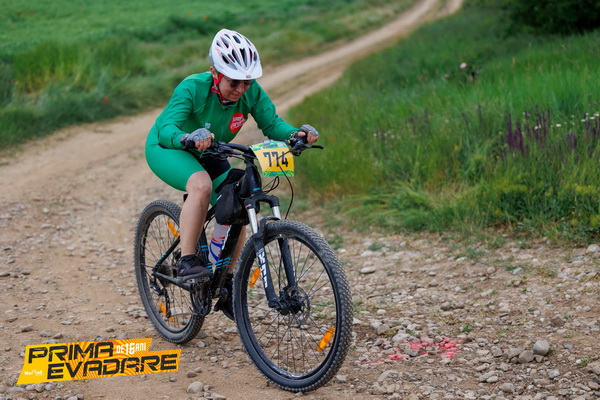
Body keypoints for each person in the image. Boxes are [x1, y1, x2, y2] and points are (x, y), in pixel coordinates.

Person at [145, 29, 318, 318]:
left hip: (211, 151)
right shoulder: (192, 88)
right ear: (215, 73)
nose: (240, 89)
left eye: (246, 82)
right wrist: (186, 137)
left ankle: (226, 280)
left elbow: (272, 124)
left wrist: (295, 134)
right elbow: (167, 129)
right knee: (200, 185)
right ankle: (187, 259)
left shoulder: (251, 92)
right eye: (233, 82)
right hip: (169, 148)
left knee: (240, 200)